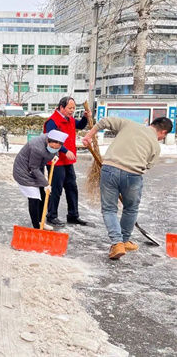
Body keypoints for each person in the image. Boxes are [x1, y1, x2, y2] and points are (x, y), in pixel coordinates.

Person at [82, 116, 172, 259]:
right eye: (164, 136)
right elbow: (148, 166)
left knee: (109, 209)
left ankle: (119, 243)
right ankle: (121, 241)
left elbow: (104, 122)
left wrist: (88, 136)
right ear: (163, 132)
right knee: (131, 208)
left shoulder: (129, 124)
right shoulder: (155, 146)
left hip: (110, 169)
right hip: (133, 175)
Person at [43, 96, 91, 227]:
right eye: (70, 108)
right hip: (56, 160)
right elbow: (52, 140)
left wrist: (85, 118)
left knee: (72, 187)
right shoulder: (53, 121)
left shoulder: (69, 119)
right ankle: (51, 215)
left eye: (74, 108)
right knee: (56, 189)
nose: (72, 111)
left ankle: (73, 215)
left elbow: (80, 125)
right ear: (61, 107)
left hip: (68, 161)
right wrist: (65, 151)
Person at [13, 130, 69, 230]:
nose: (53, 149)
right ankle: (36, 227)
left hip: (36, 170)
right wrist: (46, 183)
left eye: (56, 148)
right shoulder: (37, 147)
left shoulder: (54, 138)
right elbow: (33, 167)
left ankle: (41, 221)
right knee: (34, 198)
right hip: (24, 172)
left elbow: (56, 149)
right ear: (48, 141)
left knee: (43, 196)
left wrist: (56, 155)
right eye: (51, 147)